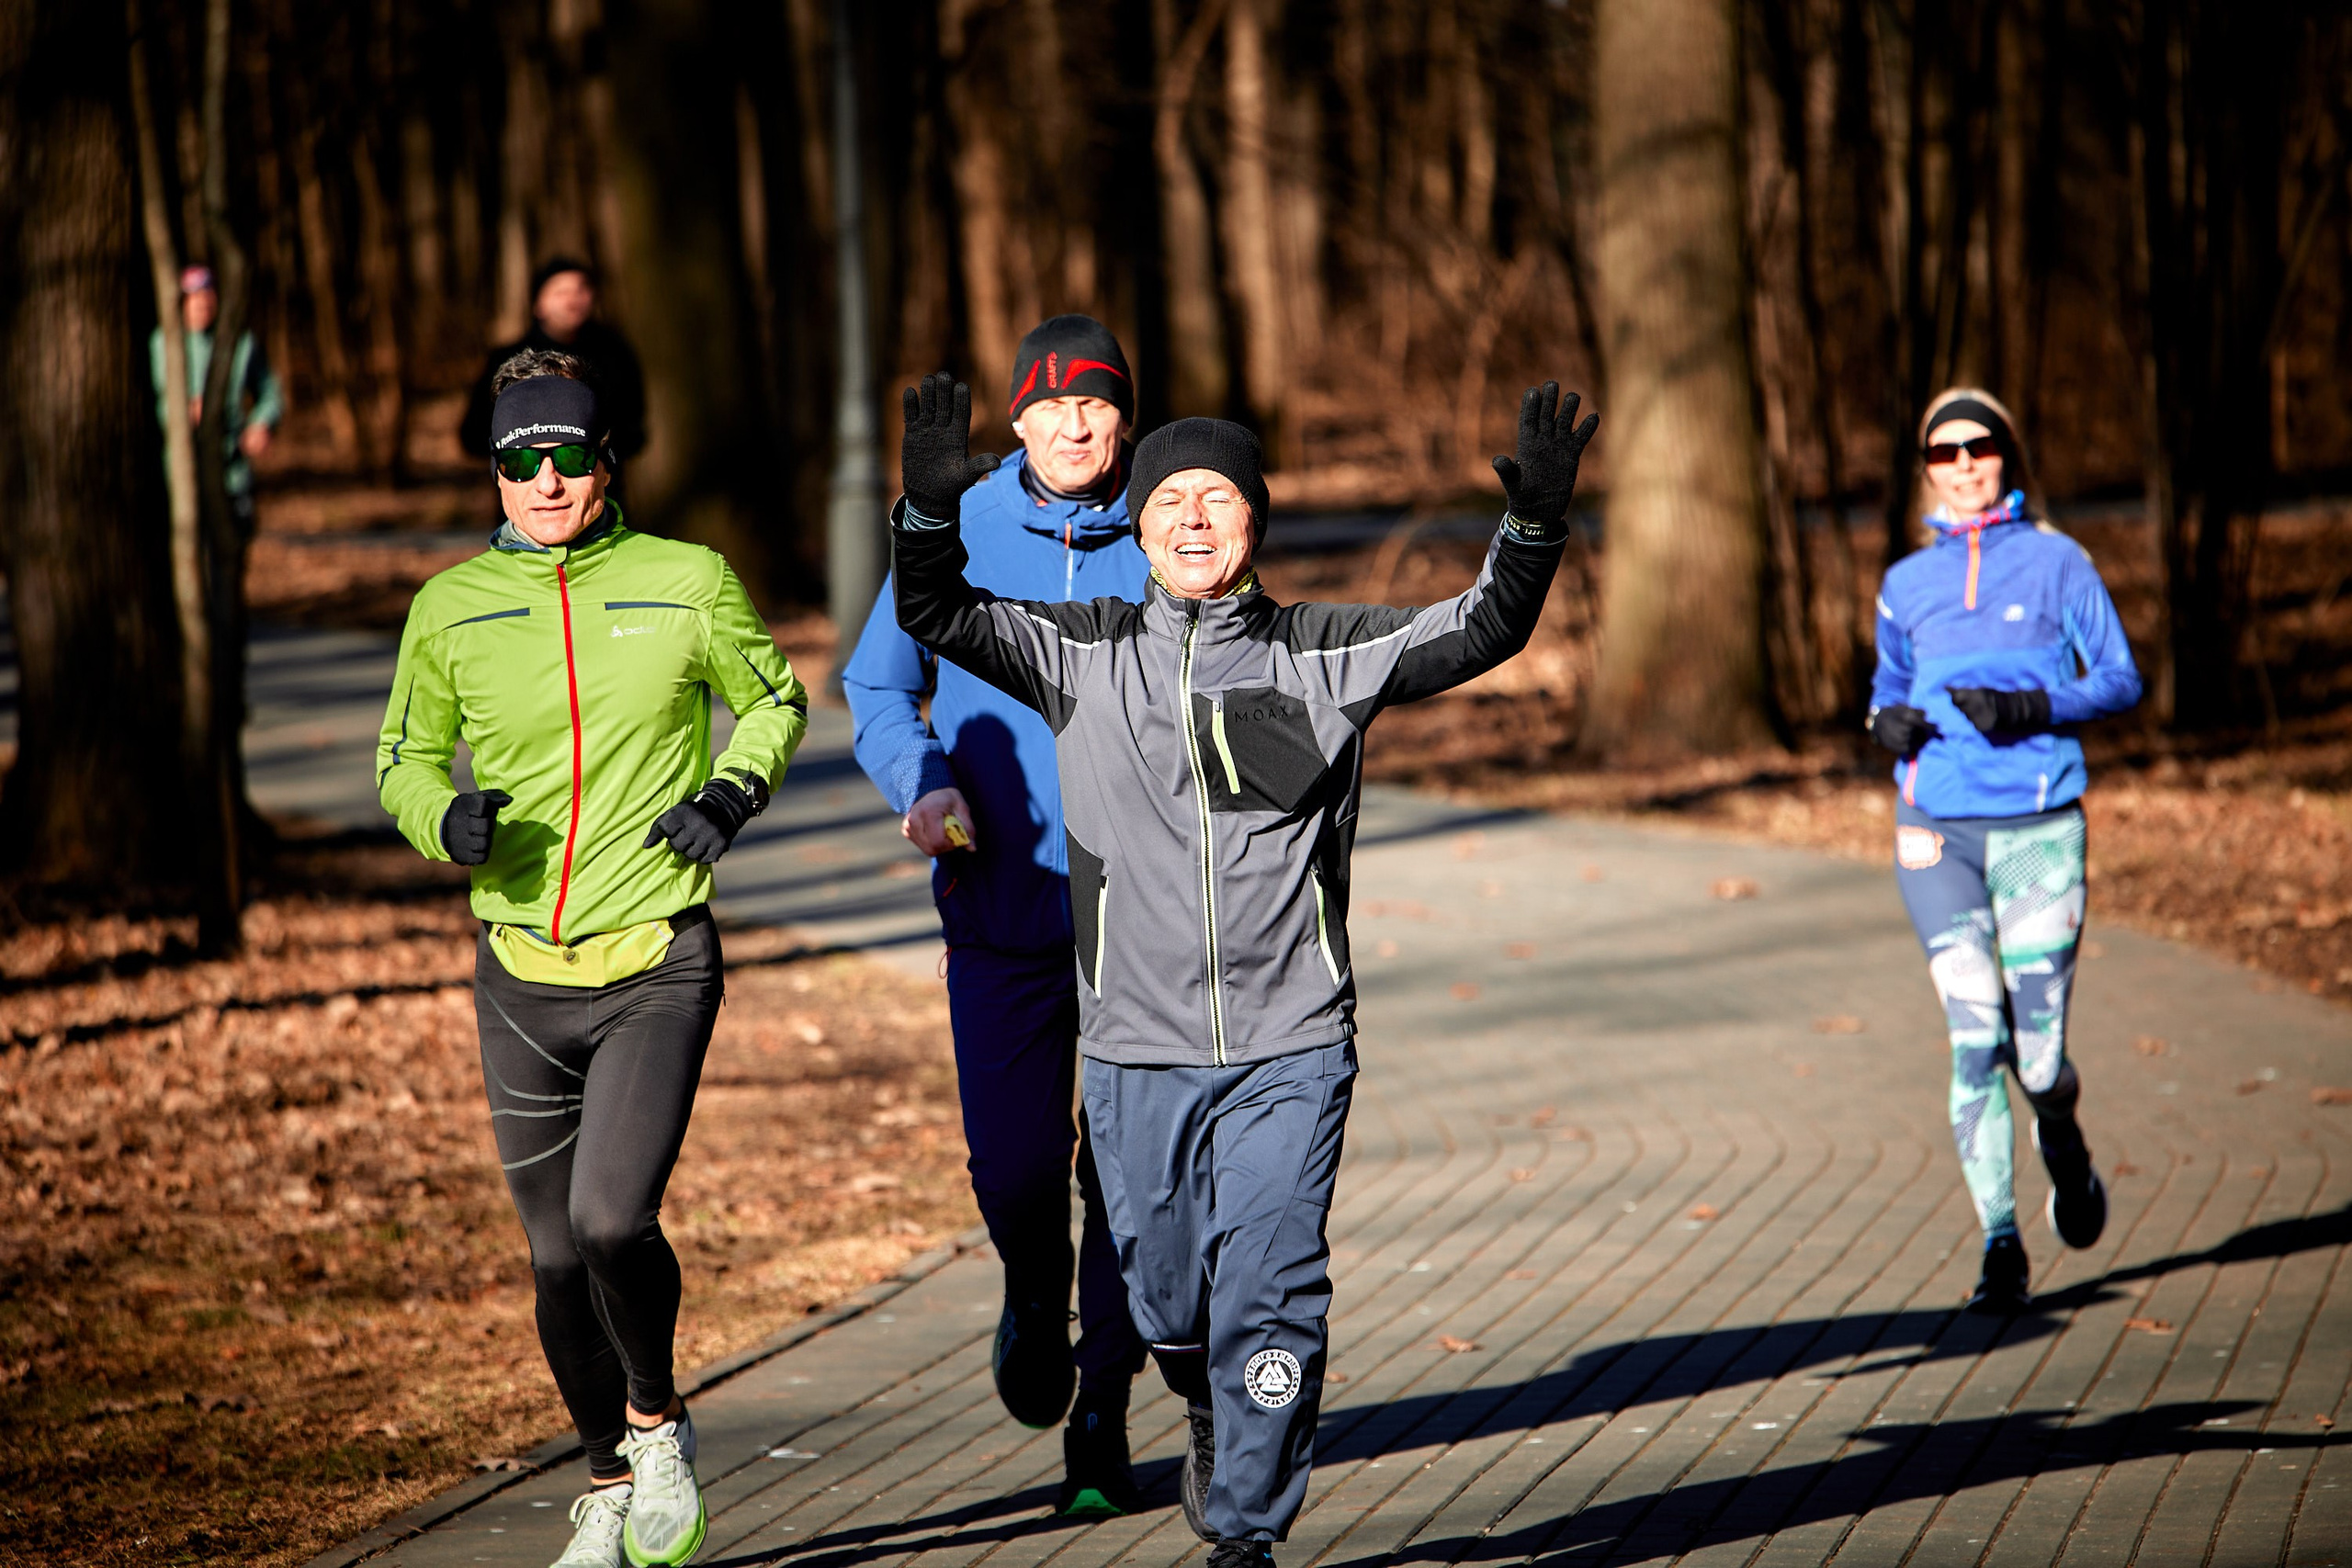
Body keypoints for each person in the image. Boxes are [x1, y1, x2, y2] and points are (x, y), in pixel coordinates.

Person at [888, 372, 1596, 1568]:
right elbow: (941, 611)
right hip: (1133, 1046)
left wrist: (1531, 529)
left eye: (1220, 496)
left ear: (1255, 521)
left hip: (1292, 1039)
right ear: (1141, 526)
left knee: (1270, 1291)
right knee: (1168, 1307)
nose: (1196, 517)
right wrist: (922, 508)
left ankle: (1249, 1528)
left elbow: (1482, 624)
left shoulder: (1331, 650)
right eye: (1171, 498)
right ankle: (1208, 1402)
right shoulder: (1083, 650)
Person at [377, 350, 808, 1568]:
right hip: (518, 969)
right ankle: (609, 1483)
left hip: (656, 955)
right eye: (522, 459)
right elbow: (403, 754)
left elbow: (773, 698)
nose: (548, 478)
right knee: (555, 1255)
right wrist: (437, 817)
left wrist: (730, 792)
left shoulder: (687, 580)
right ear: (497, 472)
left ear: (608, 460)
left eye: (569, 453)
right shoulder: (449, 607)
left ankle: (657, 1426)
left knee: (613, 1218)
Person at [842, 316, 1151, 1516]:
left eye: (1098, 403)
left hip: (1143, 911)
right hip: (998, 889)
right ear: (1018, 418)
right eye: (1053, 404)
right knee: (1018, 1166)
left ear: (1124, 415)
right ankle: (1034, 1277)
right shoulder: (961, 525)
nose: (1075, 424)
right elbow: (878, 681)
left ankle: (1102, 1415)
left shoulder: (1172, 519)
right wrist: (922, 780)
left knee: (1129, 1166)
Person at [1868, 388, 2142, 1315]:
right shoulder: (1905, 583)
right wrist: (1884, 722)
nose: (1962, 463)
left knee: (2035, 1062)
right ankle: (1999, 1243)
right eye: (1942, 452)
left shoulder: (2059, 562)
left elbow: (2119, 677)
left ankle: (2060, 1136)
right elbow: (1885, 687)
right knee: (1972, 1035)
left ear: (2006, 455)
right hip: (1931, 832)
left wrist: (2034, 708)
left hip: (2037, 829)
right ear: (1926, 468)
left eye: (1978, 445)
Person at [459, 257, 648, 464]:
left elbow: (634, 427)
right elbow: (474, 435)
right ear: (538, 304)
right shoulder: (508, 360)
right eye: (561, 292)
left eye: (580, 290)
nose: (573, 300)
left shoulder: (615, 353)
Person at [149, 264, 284, 525]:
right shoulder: (160, 345)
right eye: (194, 295)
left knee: (231, 550)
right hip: (176, 473)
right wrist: (178, 411)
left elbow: (270, 392)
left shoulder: (239, 343)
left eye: (208, 293)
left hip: (231, 472)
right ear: (180, 301)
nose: (203, 301)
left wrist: (262, 423)